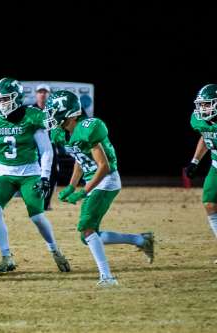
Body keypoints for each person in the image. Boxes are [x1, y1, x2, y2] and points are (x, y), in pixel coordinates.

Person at [44, 90, 154, 287]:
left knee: (86, 227)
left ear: (69, 112)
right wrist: (71, 186)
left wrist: (84, 191)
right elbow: (80, 159)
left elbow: (104, 166)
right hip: (93, 180)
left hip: (106, 181)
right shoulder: (65, 132)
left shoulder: (89, 127)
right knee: (88, 236)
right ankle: (140, 240)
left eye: (53, 111)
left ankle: (107, 278)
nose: (50, 116)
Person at [0, 77, 70, 274]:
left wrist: (45, 177)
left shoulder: (32, 116)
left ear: (17, 98)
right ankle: (6, 256)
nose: (1, 103)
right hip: (4, 173)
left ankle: (55, 250)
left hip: (30, 172)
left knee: (36, 216)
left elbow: (46, 150)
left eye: (5, 99)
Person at [184, 84, 217, 264]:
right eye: (202, 104)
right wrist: (195, 161)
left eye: (207, 104)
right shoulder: (199, 120)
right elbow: (206, 136)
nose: (203, 108)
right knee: (210, 204)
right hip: (216, 165)